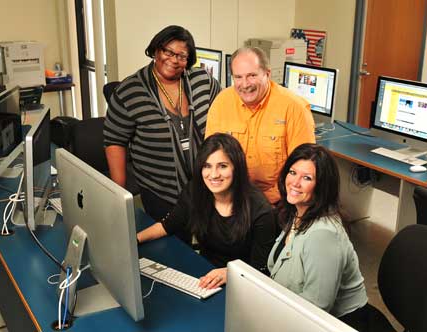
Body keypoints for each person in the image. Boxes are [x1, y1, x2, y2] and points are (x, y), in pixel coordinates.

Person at [104, 25, 221, 221]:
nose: (174, 60)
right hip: (160, 191)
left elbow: (226, 112)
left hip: (208, 186)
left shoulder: (204, 82)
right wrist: (120, 195)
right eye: (168, 52)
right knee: (170, 246)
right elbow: (115, 140)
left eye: (182, 56)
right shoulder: (129, 91)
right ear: (156, 50)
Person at [137, 133, 276, 289]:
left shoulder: (261, 211)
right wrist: (135, 239)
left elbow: (261, 269)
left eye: (222, 166)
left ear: (237, 168)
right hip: (205, 273)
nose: (214, 174)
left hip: (243, 283)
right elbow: (168, 225)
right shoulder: (195, 191)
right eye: (207, 166)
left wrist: (229, 272)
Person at [267, 143, 371, 331]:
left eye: (307, 178)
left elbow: (317, 308)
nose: (295, 183)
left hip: (339, 324)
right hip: (294, 312)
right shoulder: (297, 211)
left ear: (322, 186)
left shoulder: (323, 235)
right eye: (292, 173)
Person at [205, 47, 315, 205]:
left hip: (278, 201)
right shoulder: (221, 102)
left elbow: (305, 169)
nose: (245, 84)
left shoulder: (294, 108)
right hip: (231, 197)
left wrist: (262, 201)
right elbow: (210, 158)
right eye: (238, 77)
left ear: (267, 74)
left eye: (252, 76)